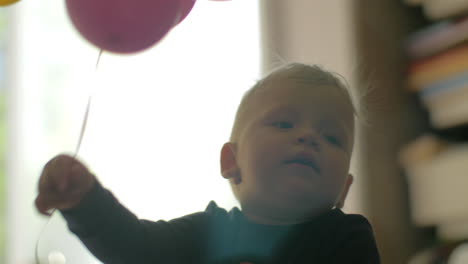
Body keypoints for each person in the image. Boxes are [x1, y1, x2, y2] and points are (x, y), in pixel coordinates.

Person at [35, 63, 380, 264]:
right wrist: (85, 202)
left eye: (332, 137)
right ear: (232, 161)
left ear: (344, 188)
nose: (309, 137)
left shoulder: (347, 238)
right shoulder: (206, 233)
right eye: (285, 124)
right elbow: (136, 248)